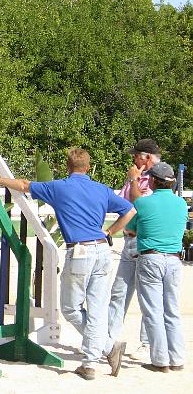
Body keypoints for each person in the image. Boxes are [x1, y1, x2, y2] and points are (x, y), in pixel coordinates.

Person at [0, 148, 136, 380]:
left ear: (67, 167)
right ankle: (97, 356)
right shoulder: (101, 189)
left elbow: (24, 184)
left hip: (79, 251)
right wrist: (110, 231)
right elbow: (130, 210)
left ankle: (105, 350)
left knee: (70, 308)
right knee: (97, 309)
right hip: (102, 249)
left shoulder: (58, 187)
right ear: (88, 168)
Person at [131, 162, 187, 372]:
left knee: (153, 311)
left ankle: (160, 360)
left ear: (153, 181)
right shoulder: (181, 203)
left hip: (150, 258)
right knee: (171, 310)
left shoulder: (145, 203)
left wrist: (134, 179)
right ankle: (177, 358)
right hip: (173, 259)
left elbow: (132, 222)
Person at [107, 138, 160, 360]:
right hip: (129, 239)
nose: (133, 159)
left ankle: (146, 344)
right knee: (119, 291)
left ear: (147, 157)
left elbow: (140, 205)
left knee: (147, 295)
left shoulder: (158, 179)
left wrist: (133, 180)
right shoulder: (136, 177)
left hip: (145, 241)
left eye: (137, 155)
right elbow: (121, 203)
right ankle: (108, 340)